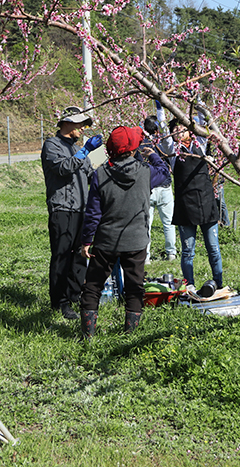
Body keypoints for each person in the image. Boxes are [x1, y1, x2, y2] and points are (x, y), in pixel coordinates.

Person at [79, 126, 171, 339]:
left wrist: (86, 241)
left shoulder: (100, 174)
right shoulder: (145, 172)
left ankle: (88, 335)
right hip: (136, 240)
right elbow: (166, 173)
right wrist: (154, 155)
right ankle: (131, 334)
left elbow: (93, 213)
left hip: (105, 241)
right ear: (134, 149)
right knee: (134, 286)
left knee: (93, 286)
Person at [41, 106, 102, 320]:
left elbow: (88, 172)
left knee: (79, 256)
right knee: (61, 256)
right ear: (68, 123)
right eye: (80, 124)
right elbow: (63, 168)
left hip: (81, 209)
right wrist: (85, 150)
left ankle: (75, 295)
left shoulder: (77, 148)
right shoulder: (52, 145)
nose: (83, 128)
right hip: (62, 209)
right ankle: (60, 302)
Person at [170, 117, 223, 289]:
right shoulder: (172, 152)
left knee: (213, 249)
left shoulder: (199, 145)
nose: (179, 132)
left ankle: (218, 283)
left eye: (182, 128)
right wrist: (159, 106)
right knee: (187, 252)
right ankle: (189, 286)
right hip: (185, 207)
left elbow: (202, 120)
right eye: (174, 130)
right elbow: (163, 129)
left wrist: (196, 98)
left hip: (206, 203)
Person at [142, 111, 177, 262]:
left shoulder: (141, 144)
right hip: (164, 186)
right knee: (168, 222)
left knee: (146, 224)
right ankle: (171, 253)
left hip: (147, 187)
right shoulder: (163, 142)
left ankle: (146, 256)